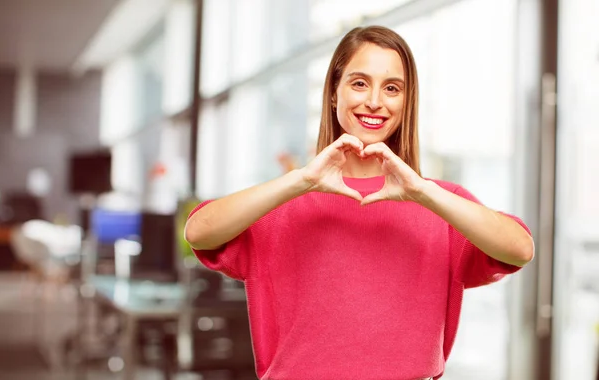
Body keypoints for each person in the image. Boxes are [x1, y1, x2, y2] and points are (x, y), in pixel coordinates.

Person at [185, 25, 534, 380]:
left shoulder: (440, 203)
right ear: (334, 94)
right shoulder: (285, 200)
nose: (374, 102)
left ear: (406, 102)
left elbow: (519, 248)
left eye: (392, 88)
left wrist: (421, 191)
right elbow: (199, 232)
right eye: (359, 83)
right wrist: (303, 180)